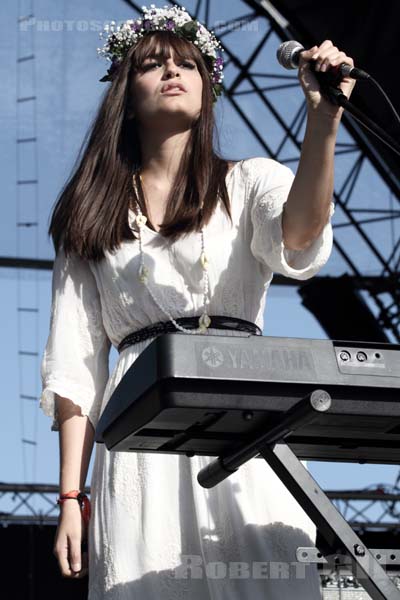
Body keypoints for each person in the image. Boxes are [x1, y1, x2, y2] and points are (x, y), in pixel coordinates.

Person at [40, 5, 355, 599]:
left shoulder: (249, 180)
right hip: (140, 430)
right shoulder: (89, 215)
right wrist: (69, 498)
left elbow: (300, 237)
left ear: (209, 91)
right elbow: (75, 367)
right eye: (153, 65)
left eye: (188, 63)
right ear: (125, 97)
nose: (173, 72)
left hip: (248, 413)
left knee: (267, 577)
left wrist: (324, 123)